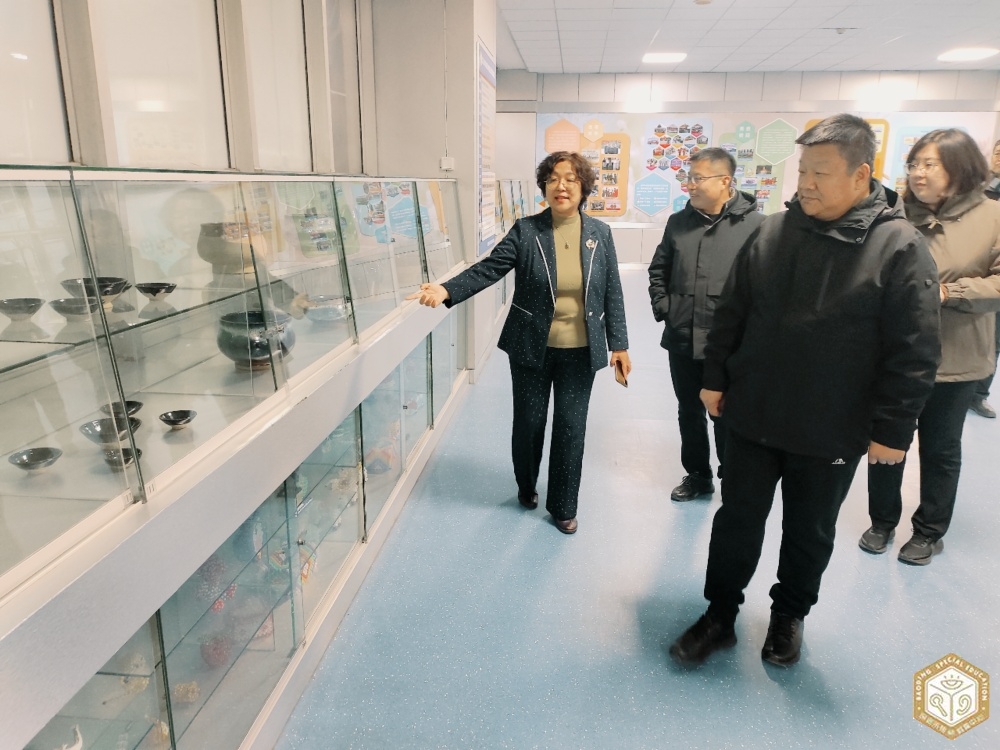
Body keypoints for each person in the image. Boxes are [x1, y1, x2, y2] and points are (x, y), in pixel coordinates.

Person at [669, 114, 940, 668]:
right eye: (803, 171)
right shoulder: (772, 232)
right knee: (736, 521)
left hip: (831, 427)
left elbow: (913, 351)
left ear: (860, 175)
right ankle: (719, 614)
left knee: (809, 531)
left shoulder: (898, 247)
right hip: (753, 412)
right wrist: (715, 378)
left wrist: (893, 431)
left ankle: (789, 616)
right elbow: (732, 310)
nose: (806, 184)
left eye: (821, 173)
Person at [406, 151, 630, 534]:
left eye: (570, 179)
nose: (561, 186)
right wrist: (447, 289)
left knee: (571, 428)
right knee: (529, 422)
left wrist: (619, 345)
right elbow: (490, 268)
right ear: (544, 186)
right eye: (553, 178)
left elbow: (612, 291)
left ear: (584, 187)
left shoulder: (599, 234)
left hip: (581, 350)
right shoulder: (527, 231)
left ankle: (564, 506)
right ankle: (526, 485)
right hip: (530, 347)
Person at [861, 129, 1000, 565]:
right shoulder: (894, 215)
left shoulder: (993, 216)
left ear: (960, 168)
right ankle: (882, 521)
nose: (918, 173)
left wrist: (949, 292)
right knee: (887, 438)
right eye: (913, 164)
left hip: (956, 355)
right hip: (896, 355)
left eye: (929, 164)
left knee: (940, 448)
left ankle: (929, 531)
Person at [647, 147, 763, 501]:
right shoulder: (679, 223)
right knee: (689, 411)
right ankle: (698, 475)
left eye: (698, 178)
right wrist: (666, 308)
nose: (690, 185)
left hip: (729, 345)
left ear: (725, 181)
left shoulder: (756, 227)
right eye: (689, 177)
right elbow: (659, 270)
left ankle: (733, 476)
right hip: (682, 337)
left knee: (726, 412)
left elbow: (764, 286)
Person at [969, 138, 1000, 418]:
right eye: (998, 153)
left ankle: (979, 395)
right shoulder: (980, 189)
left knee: (995, 340)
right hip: (977, 269)